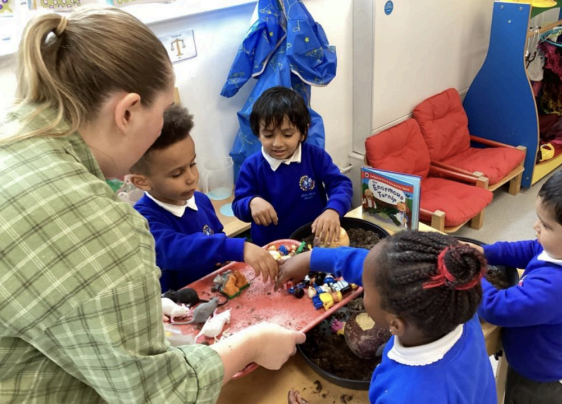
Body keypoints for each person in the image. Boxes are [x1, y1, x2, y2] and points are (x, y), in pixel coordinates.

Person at [0, 8, 304, 403]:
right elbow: (157, 393)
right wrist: (251, 345)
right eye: (162, 114)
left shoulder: (18, 137)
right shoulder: (102, 225)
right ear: (126, 112)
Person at [279, 231, 496, 404]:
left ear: (395, 324)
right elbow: (379, 269)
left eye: (366, 289)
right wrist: (313, 258)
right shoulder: (453, 304)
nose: (363, 283)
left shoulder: (405, 395)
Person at [130, 105, 278, 292]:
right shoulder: (141, 221)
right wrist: (237, 248)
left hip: (218, 293)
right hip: (182, 310)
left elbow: (217, 236)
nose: (192, 177)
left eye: (192, 164)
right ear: (142, 182)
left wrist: (226, 258)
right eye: (177, 174)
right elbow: (179, 249)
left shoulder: (201, 200)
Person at [475, 170, 562, 404]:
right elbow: (531, 249)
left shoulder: (554, 288)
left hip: (537, 377)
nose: (535, 226)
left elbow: (495, 308)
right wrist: (486, 252)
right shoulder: (554, 250)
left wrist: (473, 276)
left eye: (545, 224)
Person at [232, 86, 353, 247]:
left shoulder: (315, 156)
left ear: (303, 132)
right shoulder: (252, 166)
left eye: (287, 135)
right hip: (273, 247)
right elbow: (238, 203)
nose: (277, 143)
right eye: (268, 135)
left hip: (313, 241)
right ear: (258, 133)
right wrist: (251, 202)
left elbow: (341, 184)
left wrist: (333, 210)